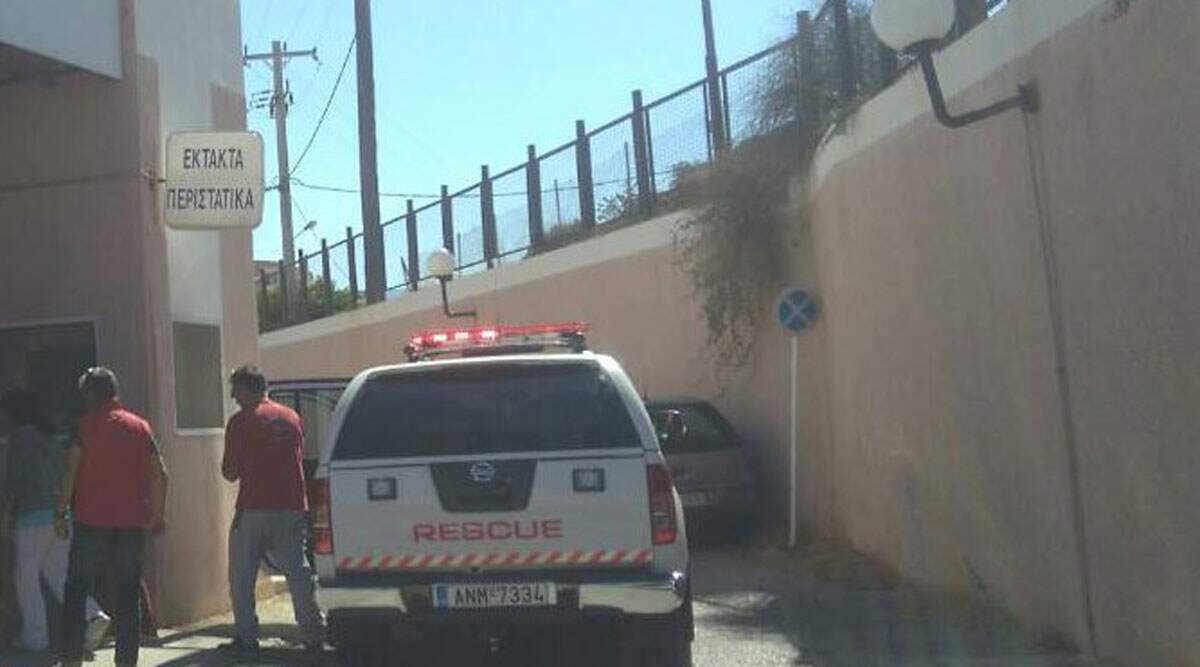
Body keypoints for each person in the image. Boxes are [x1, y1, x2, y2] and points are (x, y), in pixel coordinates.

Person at [56, 368, 168, 667]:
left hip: (90, 521)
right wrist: (158, 515)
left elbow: (70, 472)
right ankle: (126, 661)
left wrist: (59, 512)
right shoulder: (140, 427)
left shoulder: (84, 427)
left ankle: (71, 659)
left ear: (91, 394)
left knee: (77, 590)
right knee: (128, 594)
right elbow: (160, 474)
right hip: (130, 522)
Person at [220, 365, 324, 656]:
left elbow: (230, 472)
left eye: (236, 390)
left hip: (254, 507)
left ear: (246, 388)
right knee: (298, 573)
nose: (233, 396)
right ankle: (313, 633)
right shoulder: (292, 417)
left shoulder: (241, 421)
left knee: (242, 575)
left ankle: (246, 636)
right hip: (292, 505)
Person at [0, 388, 110, 654]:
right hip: (59, 515)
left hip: (31, 518)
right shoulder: (50, 437)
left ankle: (35, 637)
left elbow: (13, 480)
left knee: (25, 579)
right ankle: (93, 614)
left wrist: (5, 515)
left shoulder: (20, 438)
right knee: (59, 574)